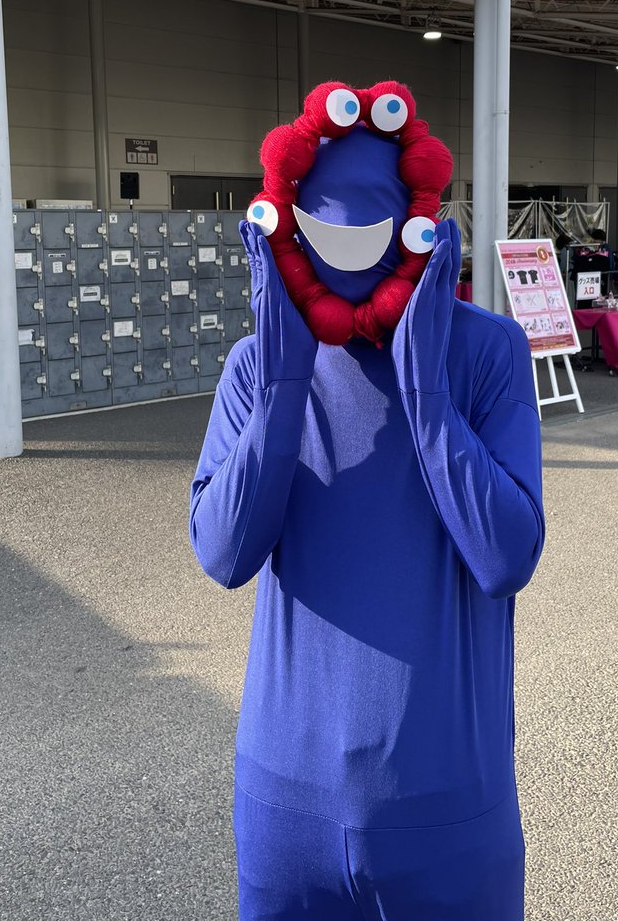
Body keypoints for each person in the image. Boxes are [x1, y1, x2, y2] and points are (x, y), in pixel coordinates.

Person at [190, 80, 545, 921]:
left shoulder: (485, 352)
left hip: (447, 798)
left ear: (420, 223)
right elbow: (224, 553)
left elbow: (506, 556)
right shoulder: (258, 362)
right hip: (285, 802)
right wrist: (282, 385)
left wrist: (427, 393)